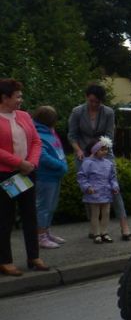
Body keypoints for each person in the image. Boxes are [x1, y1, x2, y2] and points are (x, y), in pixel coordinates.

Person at [68, 84, 131, 241]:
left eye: (98, 102)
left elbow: (109, 135)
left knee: (113, 189)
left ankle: (124, 225)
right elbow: (72, 135)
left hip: (104, 153)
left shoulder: (108, 112)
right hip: (84, 155)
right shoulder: (77, 112)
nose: (94, 104)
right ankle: (94, 228)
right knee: (89, 191)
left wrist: (101, 152)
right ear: (86, 97)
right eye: (91, 101)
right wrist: (78, 150)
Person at [0, 78, 50, 275]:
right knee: (5, 218)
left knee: (30, 214)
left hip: (27, 172)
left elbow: (37, 142)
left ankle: (33, 256)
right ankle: (5, 260)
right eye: (17, 96)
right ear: (4, 97)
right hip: (6, 174)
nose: (21, 99)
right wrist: (19, 163)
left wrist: (31, 163)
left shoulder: (24, 116)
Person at [33, 106, 68, 248]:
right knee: (44, 206)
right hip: (45, 177)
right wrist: (61, 166)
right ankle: (41, 236)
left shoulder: (50, 132)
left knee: (51, 206)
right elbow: (43, 157)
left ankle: (46, 232)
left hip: (54, 176)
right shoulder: (39, 135)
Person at [77, 137, 120, 244]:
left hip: (106, 192)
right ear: (95, 150)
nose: (105, 152)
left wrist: (114, 186)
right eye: (102, 149)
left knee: (106, 212)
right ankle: (96, 233)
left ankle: (104, 232)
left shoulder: (108, 163)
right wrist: (87, 187)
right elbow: (82, 176)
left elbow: (112, 177)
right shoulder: (88, 163)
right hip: (94, 192)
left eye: (106, 149)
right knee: (95, 213)